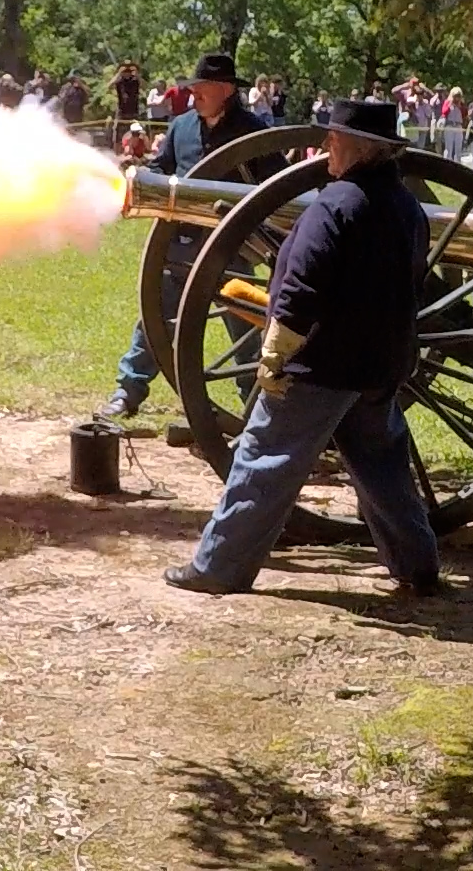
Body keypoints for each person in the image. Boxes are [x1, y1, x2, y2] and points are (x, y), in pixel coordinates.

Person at [162, 100, 442, 596]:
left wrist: (275, 352)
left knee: (263, 460)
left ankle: (219, 567)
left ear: (357, 148)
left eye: (333, 140)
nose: (325, 147)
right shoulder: (408, 209)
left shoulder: (335, 205)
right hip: (381, 365)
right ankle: (417, 564)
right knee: (383, 468)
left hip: (320, 365)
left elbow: (301, 287)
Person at [100, 53, 282, 420]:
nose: (193, 93)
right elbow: (161, 168)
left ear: (226, 90)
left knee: (246, 330)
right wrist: (138, 176)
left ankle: (256, 406)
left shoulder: (254, 132)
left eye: (202, 88)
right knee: (157, 319)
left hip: (233, 247)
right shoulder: (181, 127)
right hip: (181, 243)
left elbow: (277, 186)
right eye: (193, 87)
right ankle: (128, 390)